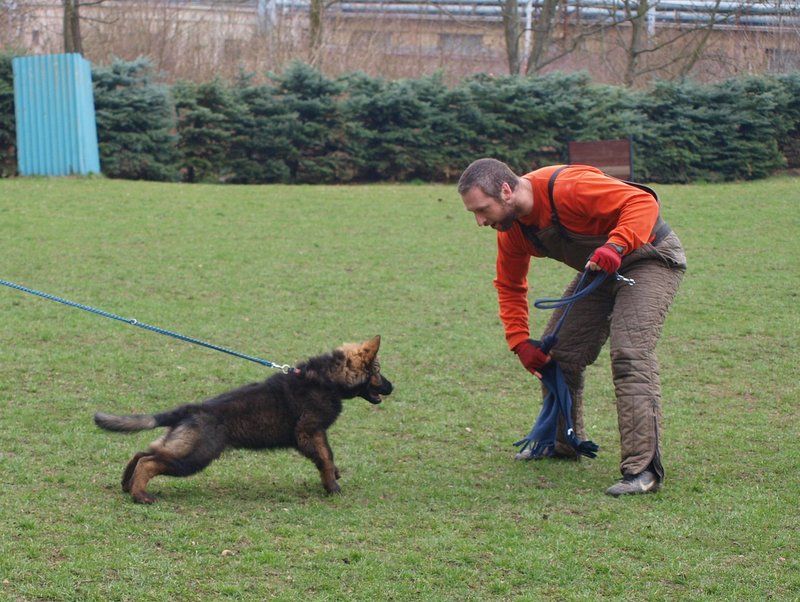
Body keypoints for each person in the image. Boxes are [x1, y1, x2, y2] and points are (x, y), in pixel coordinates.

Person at [457, 158, 686, 496]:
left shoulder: (569, 187)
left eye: (482, 210)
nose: (480, 221)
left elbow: (642, 201)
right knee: (560, 353)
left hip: (650, 257)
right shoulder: (513, 229)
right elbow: (510, 285)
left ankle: (643, 470)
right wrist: (520, 341)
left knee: (630, 354)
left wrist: (617, 244)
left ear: (505, 191)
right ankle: (561, 443)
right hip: (601, 266)